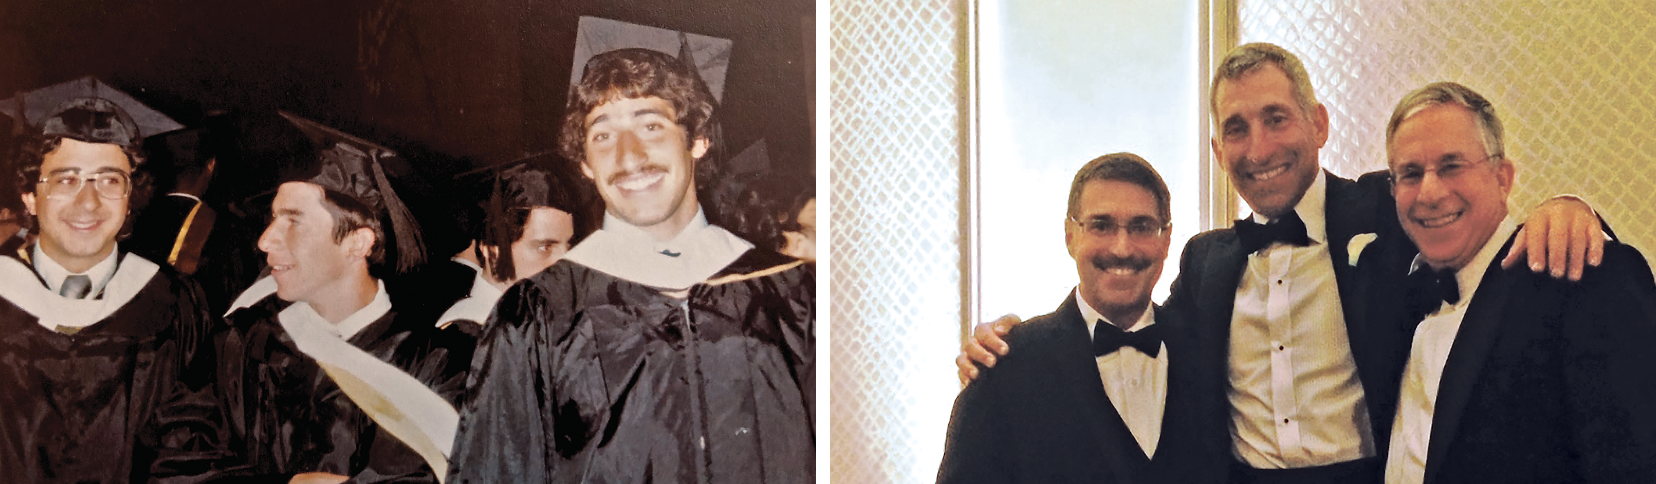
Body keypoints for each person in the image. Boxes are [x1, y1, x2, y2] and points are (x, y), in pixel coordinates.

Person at [959, 42, 1609, 483]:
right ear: (1218, 150)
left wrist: (1569, 206)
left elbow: (1471, 223)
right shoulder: (1206, 261)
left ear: (1318, 124)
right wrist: (1015, 340)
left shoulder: (1388, 210)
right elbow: (1135, 331)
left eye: (1276, 118)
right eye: (1237, 128)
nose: (1259, 146)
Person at [448, 47, 815, 483]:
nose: (628, 157)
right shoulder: (537, 314)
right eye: (602, 135)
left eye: (651, 126)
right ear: (585, 163)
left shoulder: (791, 292)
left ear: (697, 140)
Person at [1361, 81, 1656, 484]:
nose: (1429, 192)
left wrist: (1573, 204)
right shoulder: (1399, 295)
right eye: (1410, 174)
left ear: (1503, 177)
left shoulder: (1580, 278)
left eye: (1452, 166)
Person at [188, 111, 473, 483]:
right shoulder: (240, 343)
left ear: (358, 243)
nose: (264, 240)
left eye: (293, 221)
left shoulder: (437, 365)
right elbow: (178, 459)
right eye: (272, 219)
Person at [937, 153, 1227, 483]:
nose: (1122, 248)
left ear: (1166, 239)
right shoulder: (1002, 367)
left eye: (1142, 227)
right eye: (1101, 226)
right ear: (1070, 235)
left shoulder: (1207, 354)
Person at [0, 96, 220, 481]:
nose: (89, 202)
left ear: (130, 198)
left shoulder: (174, 306)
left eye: (109, 180)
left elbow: (194, 454)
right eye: (66, 179)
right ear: (30, 197)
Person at [435, 152, 596, 332]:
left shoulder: (530, 321)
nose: (565, 263)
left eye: (568, 246)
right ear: (492, 248)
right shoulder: (468, 331)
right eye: (545, 247)